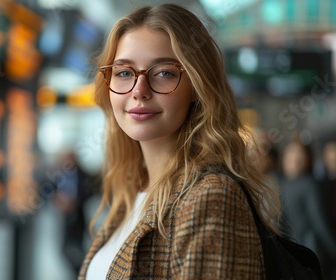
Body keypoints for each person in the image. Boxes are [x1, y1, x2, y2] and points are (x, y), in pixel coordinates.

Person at [79, 4, 282, 279]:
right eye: (124, 72)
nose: (139, 91)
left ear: (198, 88)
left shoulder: (210, 197)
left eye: (164, 73)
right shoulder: (130, 194)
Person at [278, 139, 336, 279]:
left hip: (293, 259)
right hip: (314, 255)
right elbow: (319, 223)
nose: (295, 158)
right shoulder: (309, 184)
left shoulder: (280, 186)